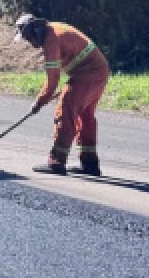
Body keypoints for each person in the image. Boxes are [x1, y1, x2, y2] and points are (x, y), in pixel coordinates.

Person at [15, 14, 110, 176]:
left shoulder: (51, 41)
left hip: (87, 74)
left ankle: (57, 161)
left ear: (35, 32)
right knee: (85, 116)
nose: (30, 43)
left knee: (65, 111)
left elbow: (52, 81)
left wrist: (38, 102)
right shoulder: (54, 28)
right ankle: (90, 164)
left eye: (28, 38)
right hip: (99, 71)